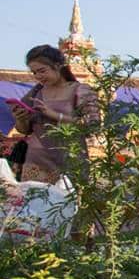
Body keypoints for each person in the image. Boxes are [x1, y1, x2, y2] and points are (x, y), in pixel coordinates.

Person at [11, 45, 97, 184]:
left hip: (70, 158)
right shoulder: (35, 93)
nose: (38, 76)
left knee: (67, 202)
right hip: (36, 161)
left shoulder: (80, 91)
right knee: (35, 203)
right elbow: (24, 130)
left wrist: (54, 115)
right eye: (34, 73)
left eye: (42, 71)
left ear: (58, 66)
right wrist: (20, 119)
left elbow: (92, 126)